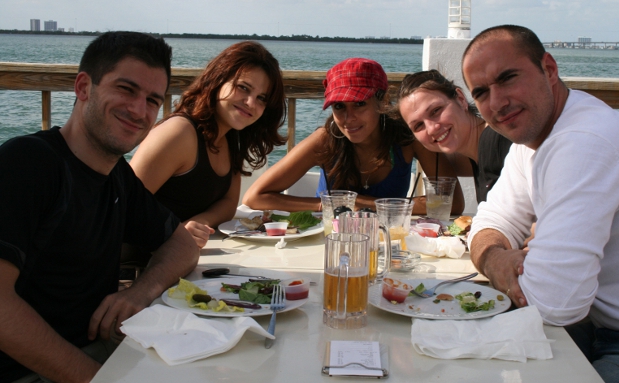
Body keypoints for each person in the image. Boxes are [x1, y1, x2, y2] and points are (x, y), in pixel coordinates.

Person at [0, 32, 199, 383]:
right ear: (83, 87)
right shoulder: (29, 163)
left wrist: (140, 292)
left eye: (152, 100)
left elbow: (183, 244)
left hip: (101, 352)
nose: (139, 110)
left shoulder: (116, 174)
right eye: (126, 89)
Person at [462, 25, 619, 382]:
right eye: (482, 92)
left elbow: (554, 303)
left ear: (548, 69)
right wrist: (496, 258)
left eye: (508, 78)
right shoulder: (530, 143)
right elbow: (490, 221)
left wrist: (517, 259)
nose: (497, 102)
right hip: (594, 323)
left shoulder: (584, 141)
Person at [243, 57, 464, 215]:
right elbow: (255, 197)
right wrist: (330, 205)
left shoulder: (407, 137)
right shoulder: (325, 139)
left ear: (383, 100)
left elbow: (452, 203)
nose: (349, 118)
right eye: (339, 106)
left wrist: (362, 203)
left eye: (359, 104)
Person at [130, 41, 286, 248]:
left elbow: (228, 204)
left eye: (261, 98)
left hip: (177, 253)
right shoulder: (179, 133)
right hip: (133, 258)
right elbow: (121, 207)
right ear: (217, 80)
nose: (250, 103)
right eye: (243, 88)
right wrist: (172, 232)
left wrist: (199, 222)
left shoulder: (232, 137)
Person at [397, 69, 513, 204]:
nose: (431, 129)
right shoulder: (478, 153)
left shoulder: (500, 142)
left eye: (436, 111)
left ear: (461, 99)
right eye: (418, 125)